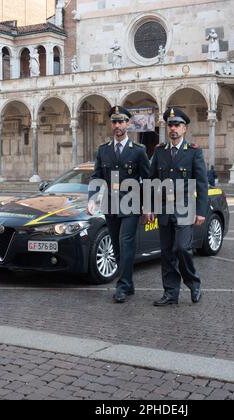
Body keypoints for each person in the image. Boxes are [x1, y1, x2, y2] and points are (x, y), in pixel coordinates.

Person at [88, 106, 150, 303]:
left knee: (126, 243)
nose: (117, 125)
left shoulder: (139, 151)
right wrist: (92, 199)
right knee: (116, 246)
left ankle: (122, 286)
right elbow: (97, 176)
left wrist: (148, 206)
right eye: (114, 122)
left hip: (131, 205)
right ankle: (128, 284)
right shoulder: (103, 150)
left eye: (121, 121)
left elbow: (147, 180)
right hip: (109, 205)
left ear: (128, 124)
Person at [149, 108, 208, 306]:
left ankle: (193, 282)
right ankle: (170, 293)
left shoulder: (193, 151)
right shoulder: (159, 151)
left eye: (177, 125)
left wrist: (201, 211)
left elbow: (201, 183)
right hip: (164, 209)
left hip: (185, 208)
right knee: (166, 253)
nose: (173, 129)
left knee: (182, 248)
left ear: (184, 128)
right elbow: (152, 181)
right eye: (170, 125)